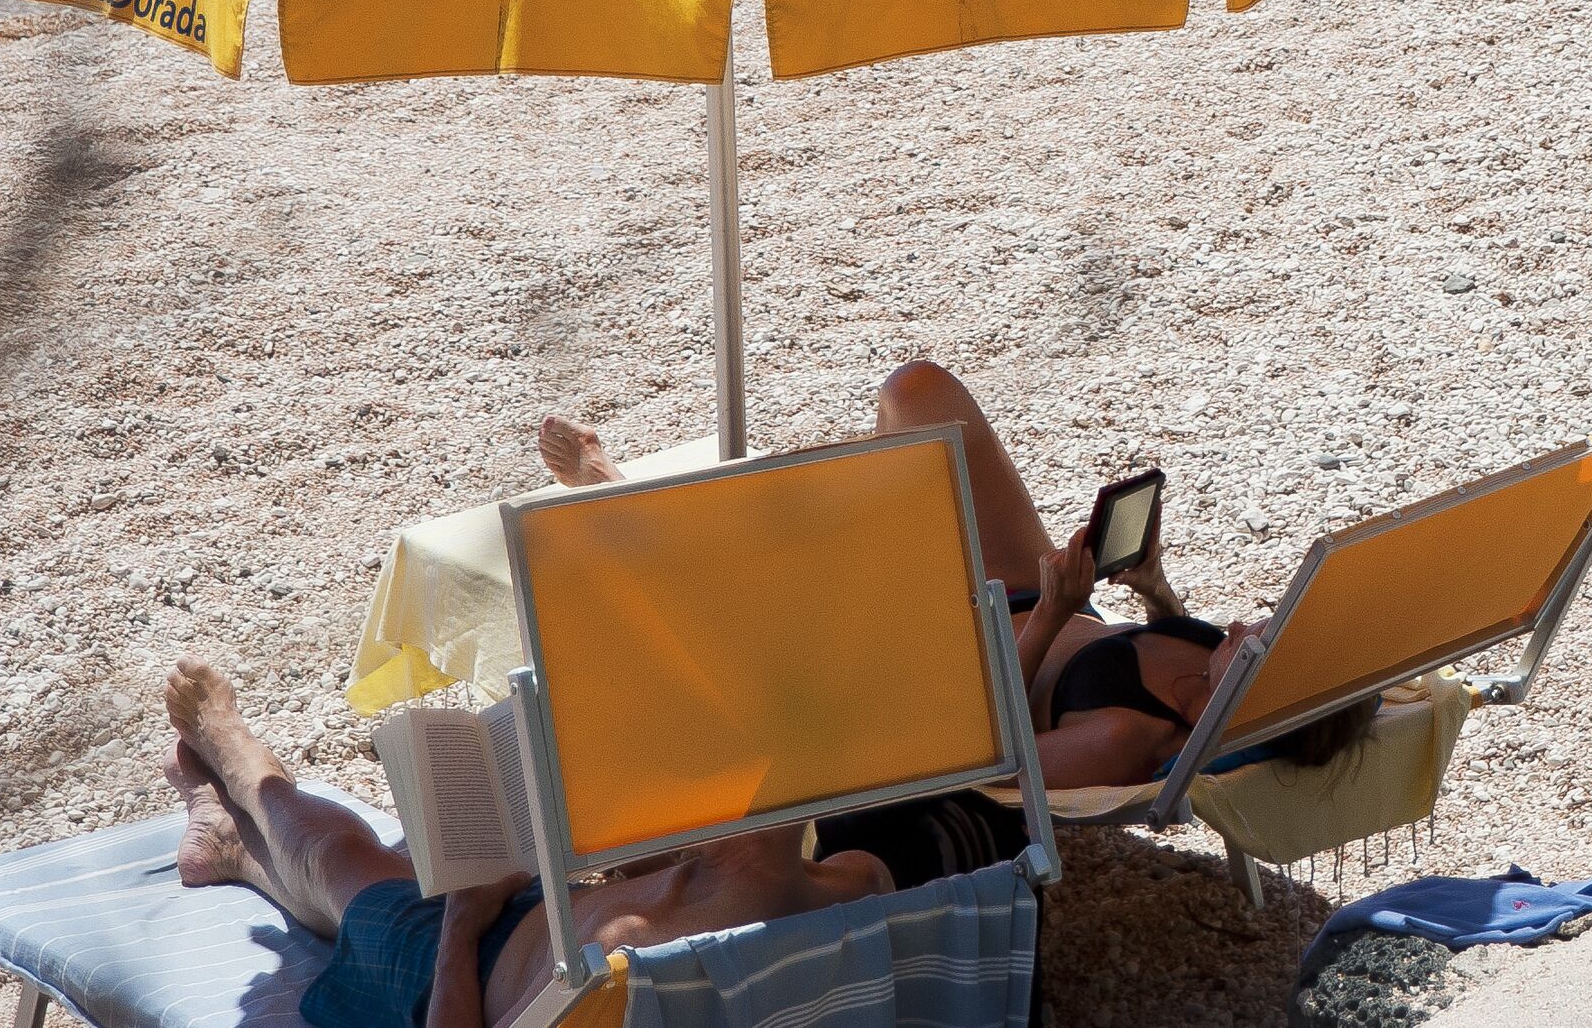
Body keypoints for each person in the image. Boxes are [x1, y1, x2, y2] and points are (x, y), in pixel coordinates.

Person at [540, 359, 1376, 884]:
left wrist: (1049, 620)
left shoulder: (1128, 737)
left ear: (1235, 701)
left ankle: (614, 489)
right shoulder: (1209, 675)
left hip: (956, 670)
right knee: (918, 390)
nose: (1241, 623)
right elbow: (1192, 643)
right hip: (1028, 599)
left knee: (772, 592)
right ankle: (874, 521)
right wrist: (1153, 589)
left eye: (1253, 637)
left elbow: (984, 757)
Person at [159, 659, 890, 1028]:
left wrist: (461, 925)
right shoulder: (857, 886)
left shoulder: (699, 934)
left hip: (469, 959)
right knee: (418, 854)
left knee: (358, 870)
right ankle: (235, 848)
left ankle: (242, 765)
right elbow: (675, 878)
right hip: (554, 918)